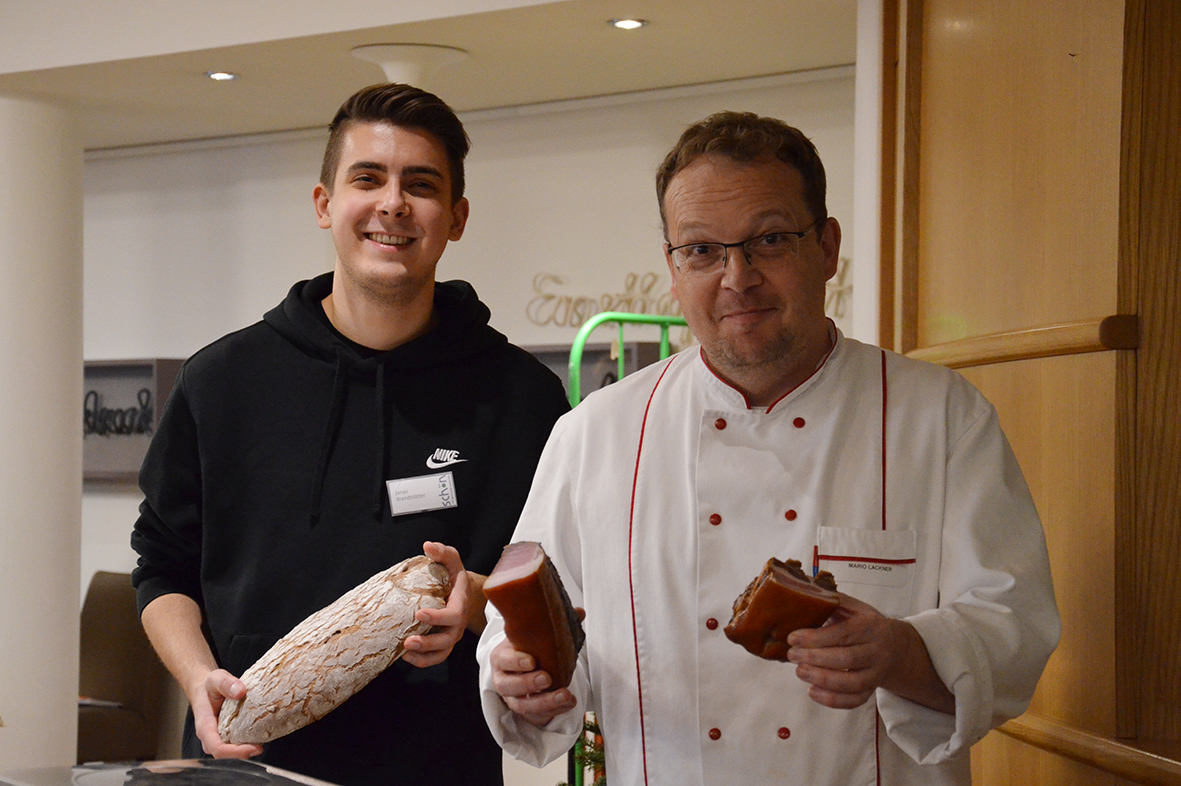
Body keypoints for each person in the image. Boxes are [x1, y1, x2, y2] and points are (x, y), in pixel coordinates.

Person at [477, 111, 1060, 785]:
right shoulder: (593, 434)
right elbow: (523, 635)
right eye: (701, 250)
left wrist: (902, 651)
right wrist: (522, 679)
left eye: (770, 239)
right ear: (672, 268)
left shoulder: (941, 416)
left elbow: (1010, 626)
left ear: (827, 247)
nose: (737, 277)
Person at [130, 83, 569, 786]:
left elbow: (555, 588)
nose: (393, 203)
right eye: (368, 178)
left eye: (420, 184)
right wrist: (195, 675)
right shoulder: (222, 380)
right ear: (323, 204)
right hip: (247, 771)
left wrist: (475, 599)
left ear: (456, 217)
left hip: (439, 769)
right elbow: (162, 564)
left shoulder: (522, 398)